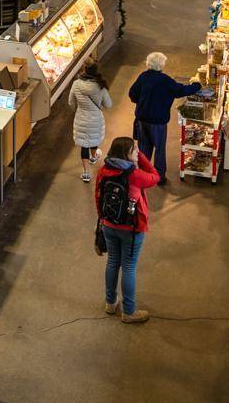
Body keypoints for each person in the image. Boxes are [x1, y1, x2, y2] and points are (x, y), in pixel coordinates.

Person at [93, 135, 160, 323]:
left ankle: (110, 302)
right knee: (129, 267)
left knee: (113, 262)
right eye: (134, 151)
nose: (137, 153)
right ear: (126, 154)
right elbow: (155, 176)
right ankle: (129, 312)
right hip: (131, 228)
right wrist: (144, 158)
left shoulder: (103, 171)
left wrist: (102, 220)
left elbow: (98, 197)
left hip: (109, 225)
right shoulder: (135, 175)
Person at [127, 52, 204, 182]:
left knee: (144, 147)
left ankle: (143, 174)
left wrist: (142, 102)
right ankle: (159, 176)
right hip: (158, 122)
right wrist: (196, 85)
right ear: (161, 65)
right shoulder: (165, 81)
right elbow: (181, 91)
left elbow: (132, 94)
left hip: (142, 119)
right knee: (159, 148)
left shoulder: (143, 77)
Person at [70, 63, 115, 181]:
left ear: (84, 70)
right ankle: (94, 156)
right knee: (93, 137)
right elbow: (109, 105)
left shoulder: (76, 84)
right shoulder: (100, 86)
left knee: (84, 144)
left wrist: (78, 110)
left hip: (81, 117)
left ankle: (86, 173)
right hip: (95, 118)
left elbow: (71, 102)